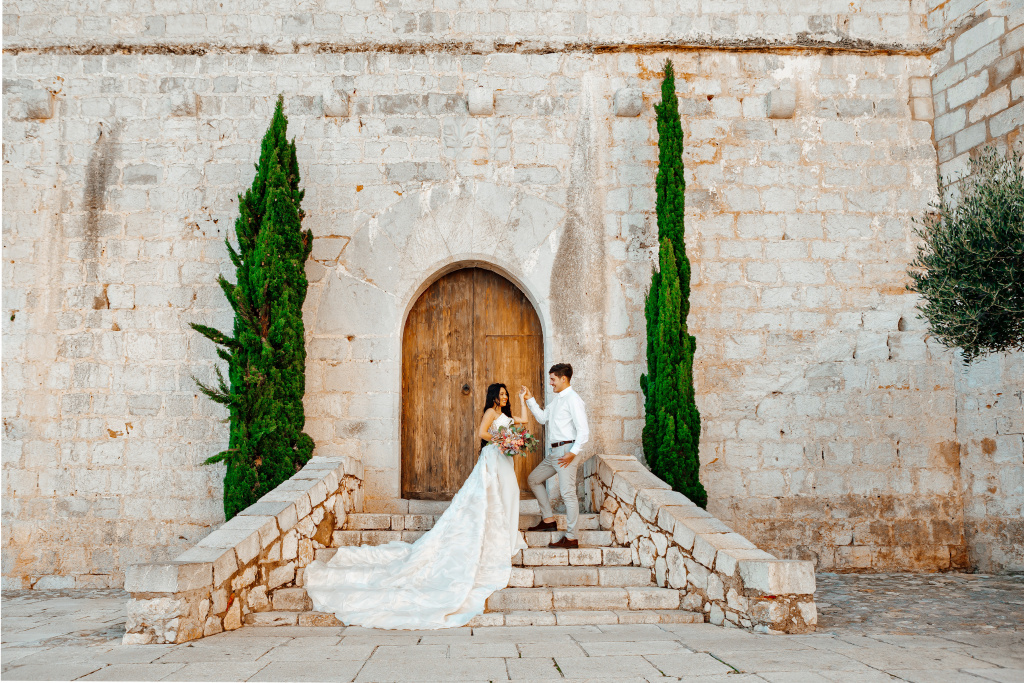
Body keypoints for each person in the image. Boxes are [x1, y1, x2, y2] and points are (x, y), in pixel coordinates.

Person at [303, 383, 528, 630]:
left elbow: (524, 422)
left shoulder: (506, 415)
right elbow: (482, 433)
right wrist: (503, 438)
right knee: (496, 496)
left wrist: (523, 399)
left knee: (510, 493)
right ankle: (500, 535)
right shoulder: (490, 413)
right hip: (493, 457)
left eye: (506, 394)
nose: (504, 397)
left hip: (504, 458)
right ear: (494, 396)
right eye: (502, 394)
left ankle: (507, 533)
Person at [522, 363, 590, 549]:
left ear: (563, 379)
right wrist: (530, 399)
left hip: (566, 451)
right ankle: (548, 520)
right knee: (534, 479)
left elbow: (584, 431)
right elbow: (543, 418)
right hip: (554, 453)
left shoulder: (573, 399)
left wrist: (572, 453)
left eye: (553, 379)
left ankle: (571, 538)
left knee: (568, 494)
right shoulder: (558, 400)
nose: (550, 383)